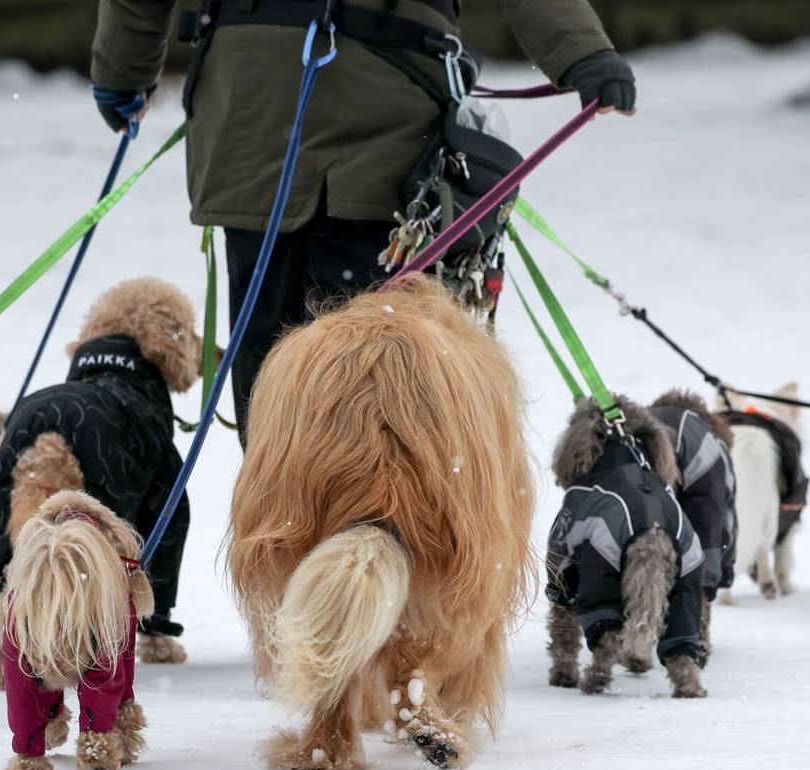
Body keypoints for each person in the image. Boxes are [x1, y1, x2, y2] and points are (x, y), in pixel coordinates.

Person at [90, 0, 636, 442]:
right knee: (383, 401)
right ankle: (368, 525)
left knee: (276, 400)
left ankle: (287, 522)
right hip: (382, 128)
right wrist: (581, 51)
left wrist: (123, 69)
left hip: (249, 122)